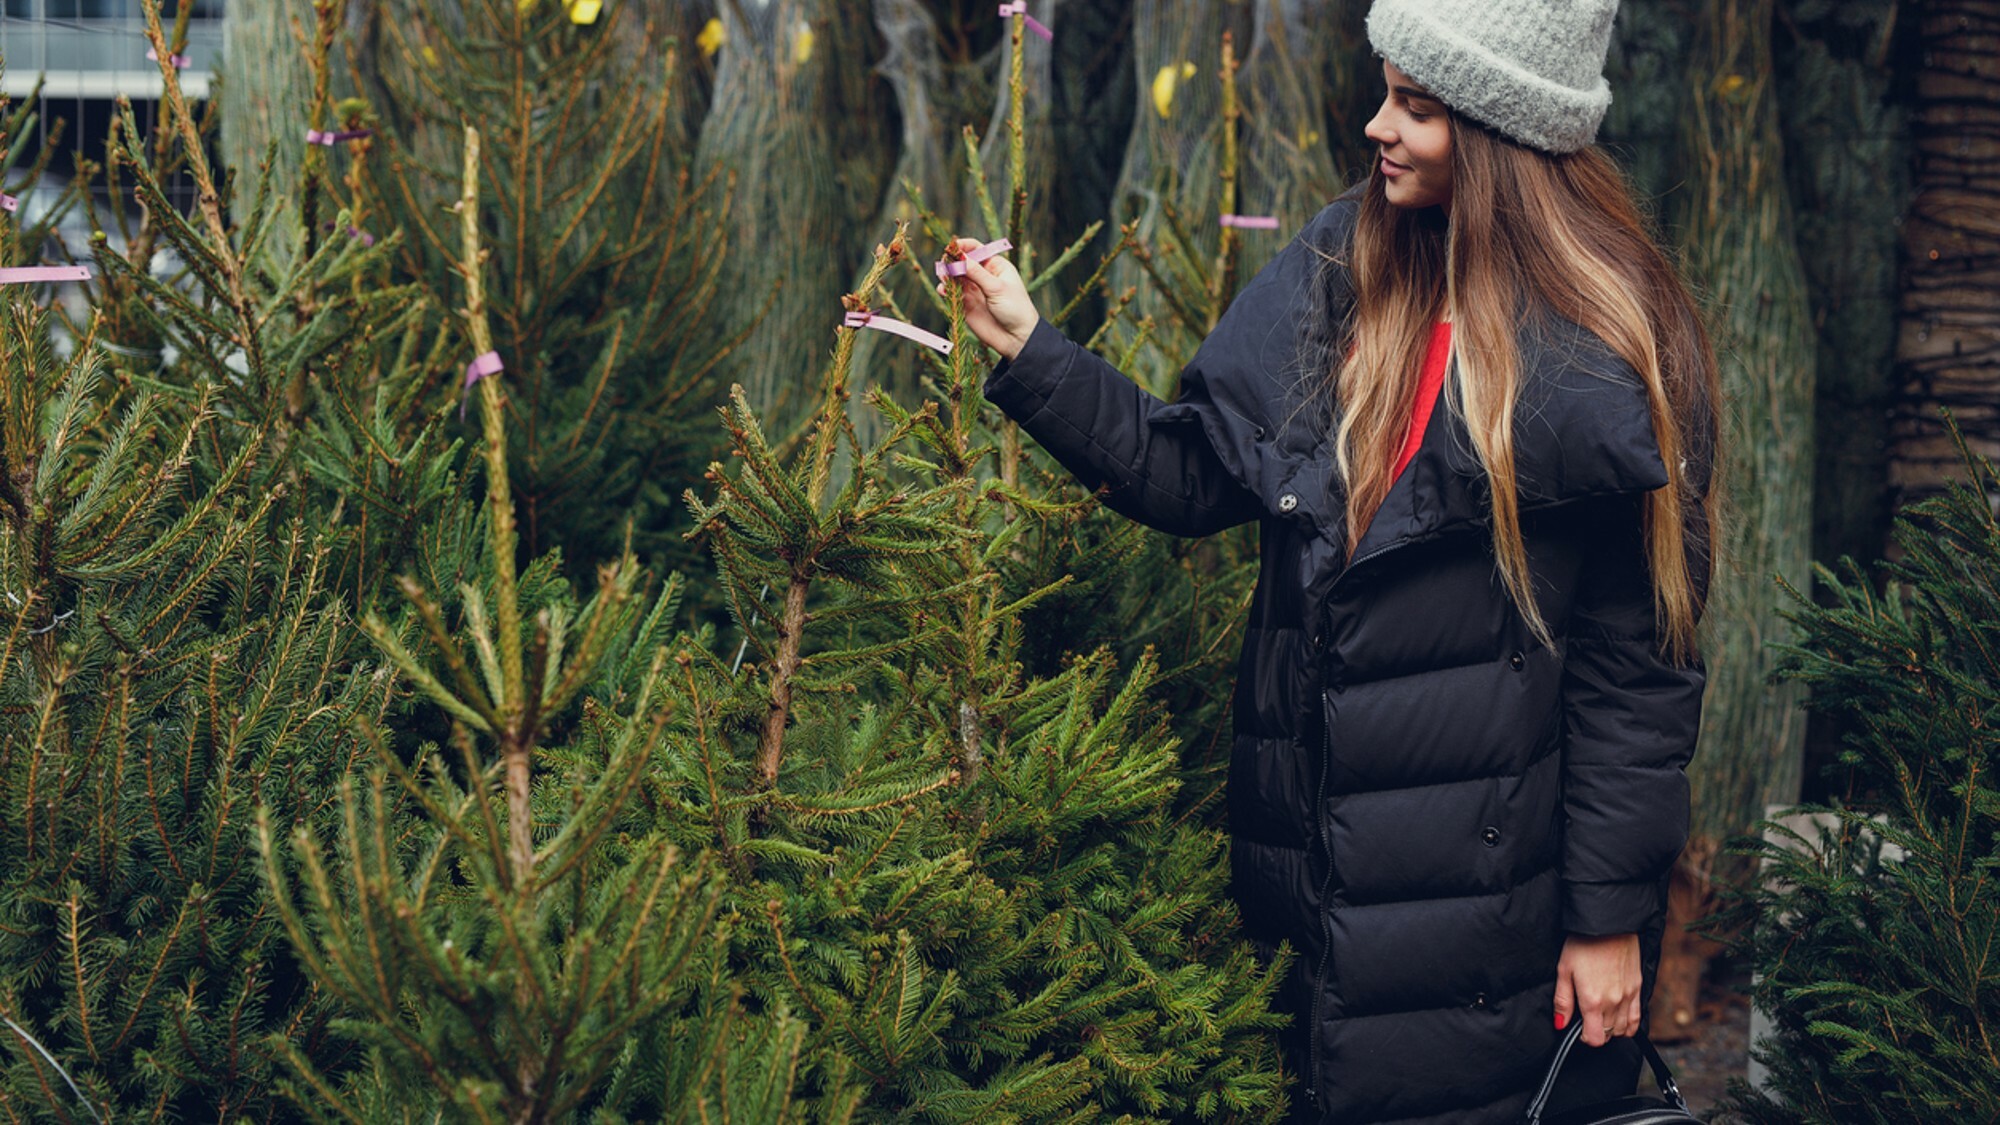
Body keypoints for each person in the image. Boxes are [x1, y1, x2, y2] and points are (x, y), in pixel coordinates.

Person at [938, 0, 1720, 1121]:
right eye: (1384, 92)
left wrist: (1606, 920)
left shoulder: (1612, 347)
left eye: (1417, 107)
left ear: (1502, 137)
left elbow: (1637, 675)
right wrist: (1028, 345)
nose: (1375, 127)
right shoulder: (1341, 264)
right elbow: (1191, 473)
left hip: (1492, 924)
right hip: (1305, 889)